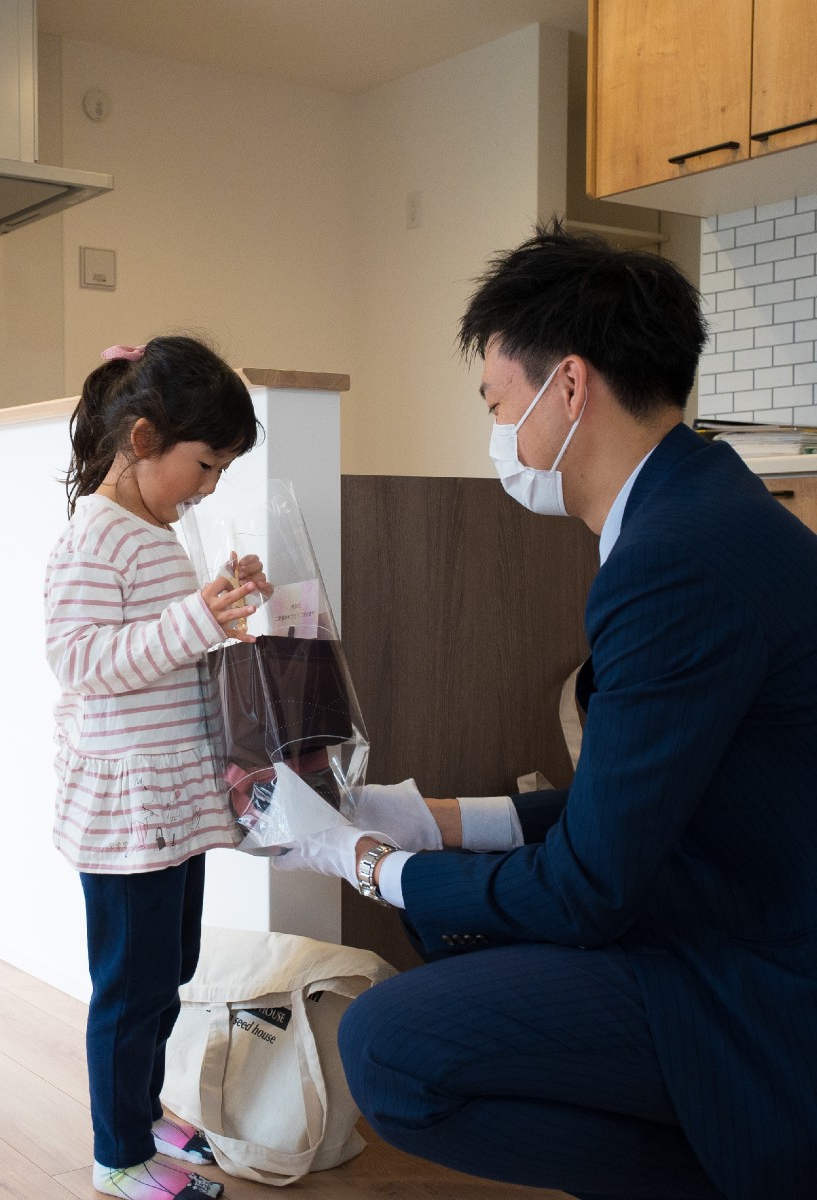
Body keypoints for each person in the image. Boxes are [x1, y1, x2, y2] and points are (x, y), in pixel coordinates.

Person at [276, 223, 817, 1199]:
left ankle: (724, 1167)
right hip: (732, 894)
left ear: (569, 388)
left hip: (755, 970)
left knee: (389, 1049)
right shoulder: (697, 508)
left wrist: (364, 861)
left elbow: (588, 890)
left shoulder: (672, 558)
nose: (498, 436)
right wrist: (432, 821)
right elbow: (637, 801)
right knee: (455, 920)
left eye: (498, 402)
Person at [45, 336, 272, 1200]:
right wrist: (196, 622)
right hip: (128, 810)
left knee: (167, 972)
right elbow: (79, 660)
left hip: (172, 799)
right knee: (129, 990)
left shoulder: (151, 529)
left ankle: (140, 1112)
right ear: (142, 440)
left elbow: (160, 646)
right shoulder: (94, 535)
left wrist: (219, 601)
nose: (210, 487)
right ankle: (117, 1154)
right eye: (206, 466)